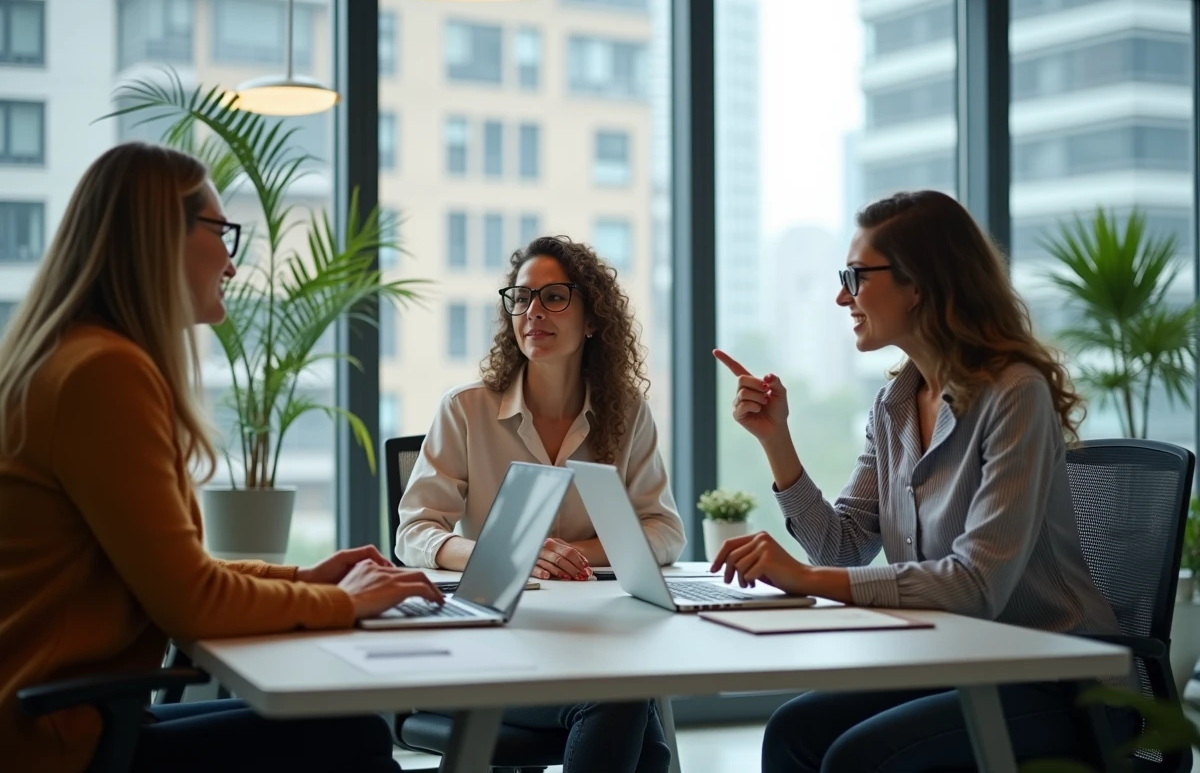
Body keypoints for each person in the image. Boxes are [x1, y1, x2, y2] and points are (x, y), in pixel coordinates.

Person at [0, 142, 443, 773]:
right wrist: (345, 603)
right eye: (221, 231)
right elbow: (190, 601)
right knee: (353, 739)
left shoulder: (71, 357)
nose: (232, 264)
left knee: (341, 728)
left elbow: (174, 571)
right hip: (54, 744)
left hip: (62, 718)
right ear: (159, 235)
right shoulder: (102, 373)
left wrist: (307, 580)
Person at [711, 190, 1134, 772]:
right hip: (955, 662)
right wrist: (775, 440)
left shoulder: (1015, 394)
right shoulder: (895, 404)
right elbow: (844, 548)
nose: (842, 296)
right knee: (793, 731)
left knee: (860, 758)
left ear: (919, 284)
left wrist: (805, 578)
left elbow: (975, 586)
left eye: (855, 277)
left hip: (1059, 679)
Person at [397, 235, 684, 773]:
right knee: (627, 701)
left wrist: (569, 554)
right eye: (522, 297)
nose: (532, 312)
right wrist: (511, 553)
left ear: (593, 319)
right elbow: (414, 532)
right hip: (484, 650)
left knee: (629, 700)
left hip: (589, 639)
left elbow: (664, 530)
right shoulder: (466, 409)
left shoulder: (627, 413)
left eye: (554, 297)